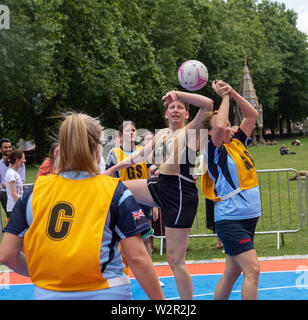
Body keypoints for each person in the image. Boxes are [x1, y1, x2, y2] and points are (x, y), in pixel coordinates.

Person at [0, 112, 164, 300]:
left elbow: (6, 255)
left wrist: (46, 273)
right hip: (106, 290)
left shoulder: (34, 192)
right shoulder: (113, 191)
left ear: (60, 151)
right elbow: (137, 257)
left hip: (50, 293)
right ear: (97, 152)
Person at [105, 90, 214, 300]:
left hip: (181, 194)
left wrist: (178, 94)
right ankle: (113, 241)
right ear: (165, 114)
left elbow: (208, 104)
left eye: (180, 107)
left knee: (175, 260)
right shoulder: (163, 133)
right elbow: (140, 155)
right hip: (160, 184)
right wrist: (112, 169)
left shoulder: (191, 131)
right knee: (115, 189)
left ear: (187, 115)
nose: (175, 110)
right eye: (171, 107)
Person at [201, 80, 261, 300]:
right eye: (222, 124)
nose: (227, 125)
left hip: (248, 217)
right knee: (252, 269)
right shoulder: (213, 150)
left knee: (232, 273)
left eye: (228, 122)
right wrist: (223, 97)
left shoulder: (237, 143)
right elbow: (217, 127)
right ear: (209, 133)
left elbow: (251, 115)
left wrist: (232, 92)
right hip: (230, 218)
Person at [106, 122, 158, 257]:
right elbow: (109, 176)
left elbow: (149, 173)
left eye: (134, 130)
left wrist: (154, 204)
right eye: (128, 131)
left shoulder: (143, 150)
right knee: (126, 239)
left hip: (143, 199)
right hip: (124, 200)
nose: (132, 133)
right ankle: (126, 271)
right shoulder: (114, 153)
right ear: (121, 136)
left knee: (145, 239)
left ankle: (150, 271)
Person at [0, 138, 25, 218]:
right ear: (0, 150)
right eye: (5, 147)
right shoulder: (10, 172)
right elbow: (13, 193)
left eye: (10, 147)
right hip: (5, 195)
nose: (8, 149)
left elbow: (21, 180)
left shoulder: (18, 165)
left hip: (17, 195)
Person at [4, 150, 26, 218]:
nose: (25, 160)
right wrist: (22, 205)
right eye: (23, 158)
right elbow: (14, 194)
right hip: (14, 208)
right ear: (17, 160)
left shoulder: (15, 173)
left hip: (16, 207)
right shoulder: (11, 174)